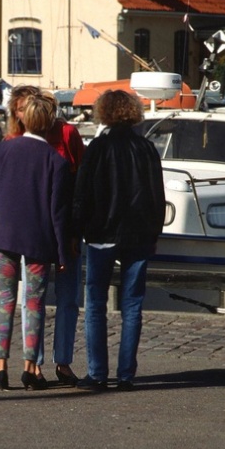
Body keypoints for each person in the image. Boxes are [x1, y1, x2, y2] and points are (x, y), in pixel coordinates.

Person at [72, 89, 165, 392]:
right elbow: (157, 195)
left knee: (96, 302)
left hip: (102, 232)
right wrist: (154, 232)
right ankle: (126, 374)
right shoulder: (147, 148)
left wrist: (78, 229)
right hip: (139, 233)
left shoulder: (99, 147)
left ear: (104, 112)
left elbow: (82, 193)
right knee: (132, 305)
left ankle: (97, 373)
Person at [0, 94, 72, 391]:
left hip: (5, 236)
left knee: (5, 302)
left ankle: (0, 368)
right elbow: (57, 213)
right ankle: (29, 367)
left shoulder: (5, 148)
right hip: (38, 240)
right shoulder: (56, 161)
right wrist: (62, 252)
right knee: (34, 304)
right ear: (49, 123)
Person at [5, 85, 85, 387]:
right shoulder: (14, 141)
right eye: (21, 109)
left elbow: (80, 186)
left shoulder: (67, 134)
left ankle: (62, 362)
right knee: (32, 299)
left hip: (67, 230)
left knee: (67, 299)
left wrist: (76, 232)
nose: (25, 114)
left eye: (29, 107)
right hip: (34, 233)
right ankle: (32, 363)